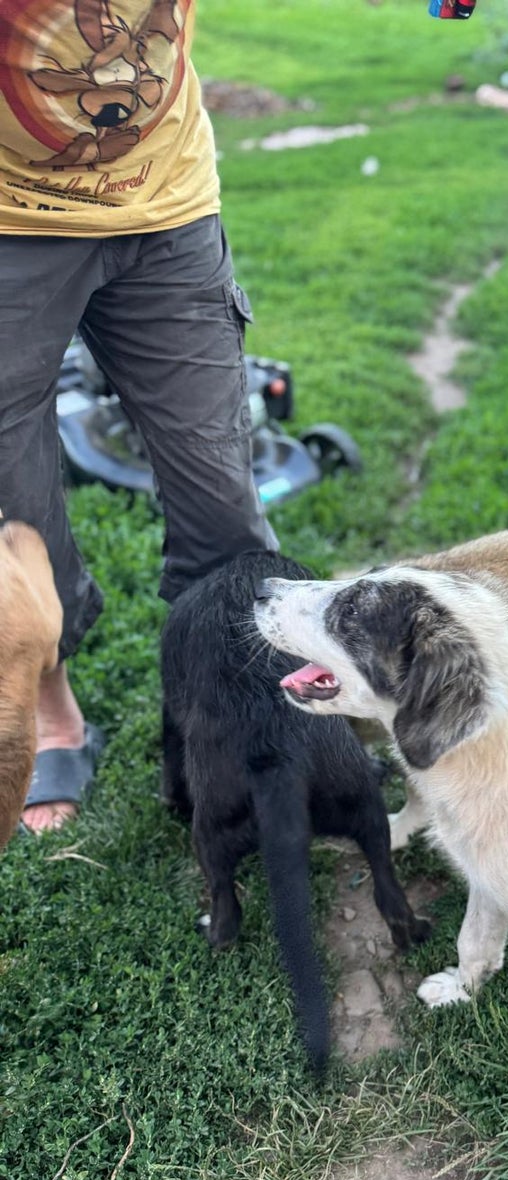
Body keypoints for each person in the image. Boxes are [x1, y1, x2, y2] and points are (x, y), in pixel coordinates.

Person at [0, 0, 276, 832]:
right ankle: (54, 711)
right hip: (8, 226)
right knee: (16, 506)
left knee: (221, 491)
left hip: (170, 212)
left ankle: (228, 721)